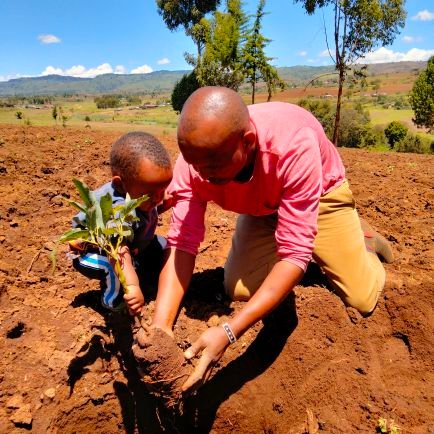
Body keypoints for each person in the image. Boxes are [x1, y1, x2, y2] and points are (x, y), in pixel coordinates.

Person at [151, 86, 394, 392]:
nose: (199, 175)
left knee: (361, 298)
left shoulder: (293, 145)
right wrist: (161, 329)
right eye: (193, 165)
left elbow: (294, 255)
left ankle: (365, 241)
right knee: (237, 288)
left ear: (248, 142)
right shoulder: (197, 161)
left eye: (211, 169)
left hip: (320, 197)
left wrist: (229, 331)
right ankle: (297, 230)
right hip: (262, 205)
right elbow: (182, 244)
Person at [70, 131, 173, 315]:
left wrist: (163, 203)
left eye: (163, 189)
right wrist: (132, 287)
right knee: (115, 268)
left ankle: (144, 274)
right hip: (95, 253)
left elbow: (146, 212)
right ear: (120, 185)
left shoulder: (138, 192)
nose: (159, 197)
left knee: (164, 245)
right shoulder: (116, 211)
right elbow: (118, 253)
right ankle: (111, 302)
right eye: (152, 194)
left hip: (131, 244)